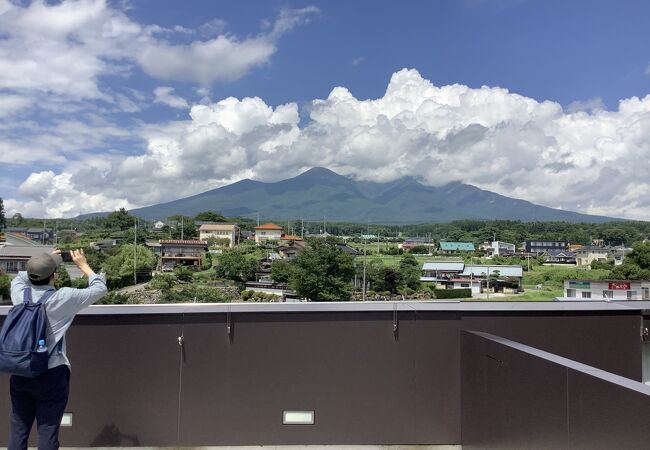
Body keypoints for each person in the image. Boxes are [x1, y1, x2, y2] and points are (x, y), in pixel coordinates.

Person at [7, 249, 107, 450]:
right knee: (48, 430)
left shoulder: (19, 292)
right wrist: (83, 265)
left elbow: (21, 276)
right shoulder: (64, 297)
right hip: (51, 372)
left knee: (18, 429)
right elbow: (100, 288)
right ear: (54, 276)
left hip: (20, 370)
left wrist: (45, 261)